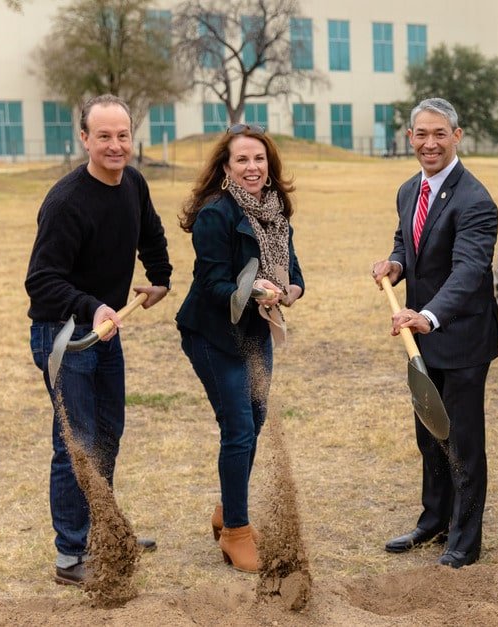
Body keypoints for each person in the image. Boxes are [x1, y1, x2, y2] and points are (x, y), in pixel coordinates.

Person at [24, 94, 171, 585]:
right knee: (76, 444)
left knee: (108, 434)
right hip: (63, 333)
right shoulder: (66, 202)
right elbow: (41, 280)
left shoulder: (132, 182)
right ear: (83, 138)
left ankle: (103, 530)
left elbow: (150, 231)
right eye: (103, 135)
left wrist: (161, 275)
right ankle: (71, 556)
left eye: (123, 135)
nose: (115, 145)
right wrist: (91, 306)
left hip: (104, 329)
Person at [370, 97, 498, 569]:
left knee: (462, 443)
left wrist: (428, 314)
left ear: (457, 136)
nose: (429, 143)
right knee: (430, 434)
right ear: (410, 138)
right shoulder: (410, 190)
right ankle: (435, 521)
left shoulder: (476, 200)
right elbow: (410, 242)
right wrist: (396, 262)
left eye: (439, 134)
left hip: (461, 339)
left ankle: (465, 541)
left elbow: (469, 272)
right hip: (421, 337)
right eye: (421, 135)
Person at [176, 124, 304, 572]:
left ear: (269, 166)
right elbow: (212, 284)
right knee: (239, 428)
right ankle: (236, 532)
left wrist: (289, 291)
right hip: (211, 334)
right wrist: (253, 290)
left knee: (255, 419)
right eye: (242, 160)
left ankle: (227, 509)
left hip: (254, 331)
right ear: (226, 169)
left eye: (259, 159)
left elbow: (294, 272)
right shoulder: (216, 214)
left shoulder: (274, 211)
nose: (252, 167)